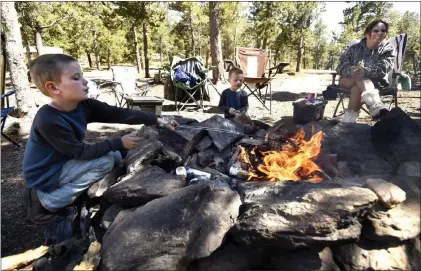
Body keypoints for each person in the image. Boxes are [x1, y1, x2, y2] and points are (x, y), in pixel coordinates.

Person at [23, 54, 179, 224]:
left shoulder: (83, 105)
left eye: (82, 75)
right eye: (76, 78)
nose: (85, 82)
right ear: (53, 88)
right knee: (105, 162)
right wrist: (118, 142)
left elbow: (118, 113)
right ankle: (45, 201)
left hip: (64, 159)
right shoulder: (49, 121)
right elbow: (80, 152)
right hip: (46, 171)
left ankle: (60, 191)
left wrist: (156, 120)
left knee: (116, 157)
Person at [337, 19, 395, 123]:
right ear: (367, 33)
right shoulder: (354, 48)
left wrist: (364, 71)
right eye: (376, 30)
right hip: (347, 80)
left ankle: (348, 123)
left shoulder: (388, 50)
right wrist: (351, 70)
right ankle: (375, 105)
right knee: (359, 76)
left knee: (357, 87)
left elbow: (383, 68)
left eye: (383, 30)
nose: (380, 33)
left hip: (376, 84)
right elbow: (340, 66)